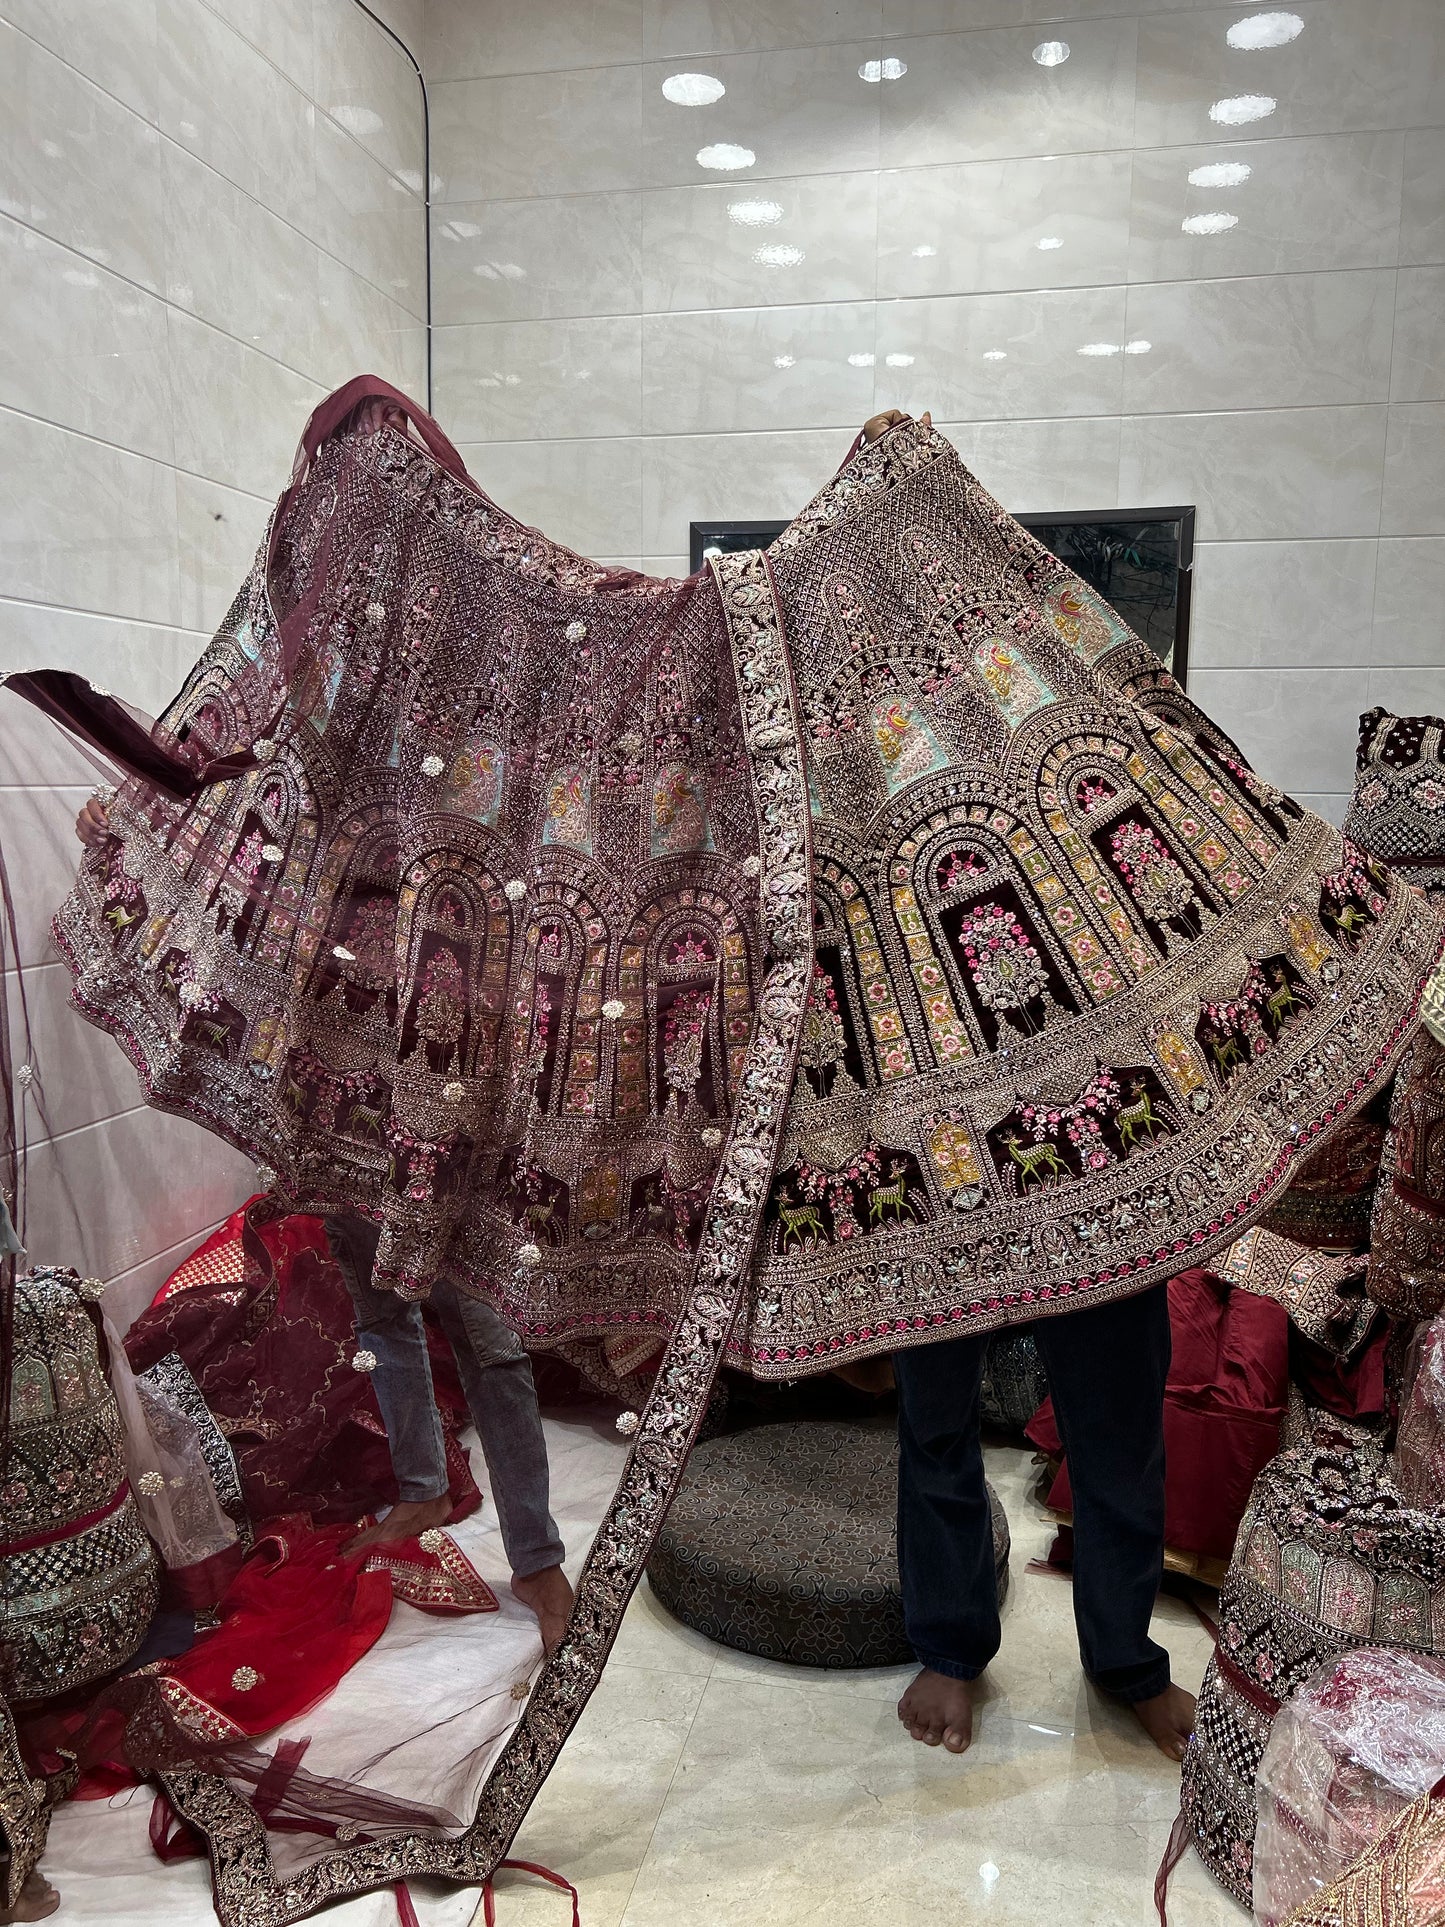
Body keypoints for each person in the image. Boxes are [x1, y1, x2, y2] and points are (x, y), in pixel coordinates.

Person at [74, 798, 576, 1655]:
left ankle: (535, 1555)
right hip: (345, 1065)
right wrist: (142, 818)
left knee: (488, 1330)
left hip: (460, 1072)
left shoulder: (485, 764)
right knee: (375, 1302)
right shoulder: (353, 742)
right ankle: (420, 1487)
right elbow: (262, 798)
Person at [893, 1285, 1197, 1761]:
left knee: (1122, 1429)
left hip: (1096, 1212)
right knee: (936, 1425)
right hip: (937, 1216)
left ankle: (1124, 1656)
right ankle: (950, 1644)